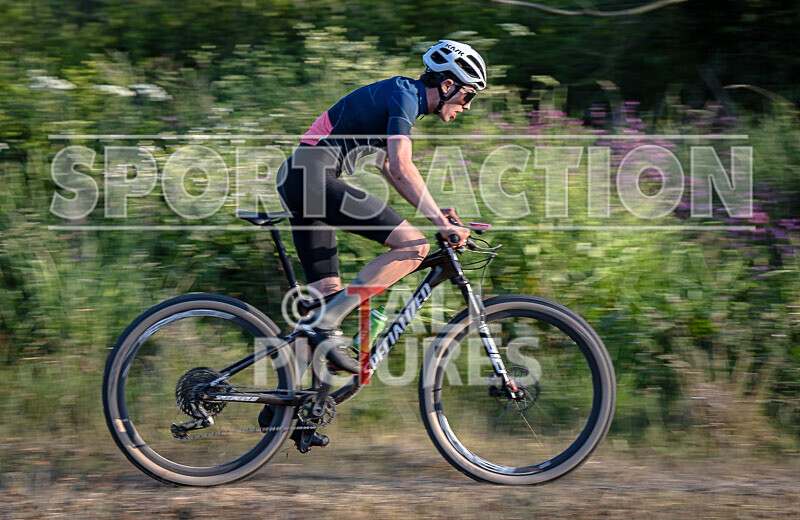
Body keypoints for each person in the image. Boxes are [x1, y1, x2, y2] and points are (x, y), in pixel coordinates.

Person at [275, 40, 487, 376]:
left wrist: (437, 212)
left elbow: (389, 167)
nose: (468, 105)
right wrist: (437, 223)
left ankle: (287, 414)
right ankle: (327, 322)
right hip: (312, 179)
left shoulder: (400, 96)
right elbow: (402, 167)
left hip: (300, 180)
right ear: (448, 85)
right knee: (415, 246)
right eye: (469, 94)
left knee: (324, 303)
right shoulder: (404, 95)